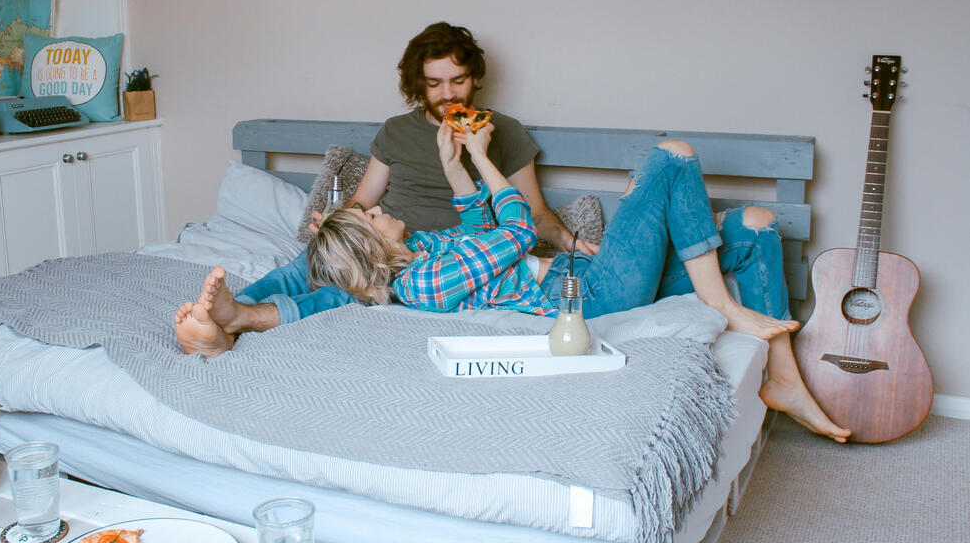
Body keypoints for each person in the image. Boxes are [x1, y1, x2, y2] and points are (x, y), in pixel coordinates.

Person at [307, 121, 851, 443]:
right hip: (588, 296)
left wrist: (456, 167)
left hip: (590, 275)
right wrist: (480, 156)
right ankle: (721, 304)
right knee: (673, 155)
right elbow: (518, 231)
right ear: (370, 247)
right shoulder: (424, 284)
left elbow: (481, 230)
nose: (378, 209)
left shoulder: (421, 248)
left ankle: (783, 377)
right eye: (371, 217)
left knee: (755, 225)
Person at [174, 22, 579, 353]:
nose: (448, 94)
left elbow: (534, 212)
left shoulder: (500, 131)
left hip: (437, 257)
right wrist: (336, 224)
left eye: (458, 81)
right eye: (434, 83)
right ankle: (227, 314)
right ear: (417, 84)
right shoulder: (396, 131)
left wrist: (567, 240)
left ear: (474, 78)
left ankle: (243, 320)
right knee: (305, 265)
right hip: (381, 240)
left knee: (347, 294)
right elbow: (362, 201)